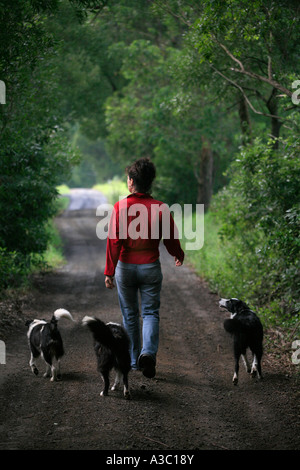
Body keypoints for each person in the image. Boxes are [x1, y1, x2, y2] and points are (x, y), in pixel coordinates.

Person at [104, 157, 184, 378]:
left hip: (125, 268)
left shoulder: (120, 208)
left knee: (129, 315)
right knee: (150, 313)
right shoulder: (160, 208)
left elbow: (114, 242)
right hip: (150, 267)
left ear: (131, 182)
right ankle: (148, 353)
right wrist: (178, 255)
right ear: (150, 183)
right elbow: (171, 238)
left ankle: (133, 360)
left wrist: (109, 272)